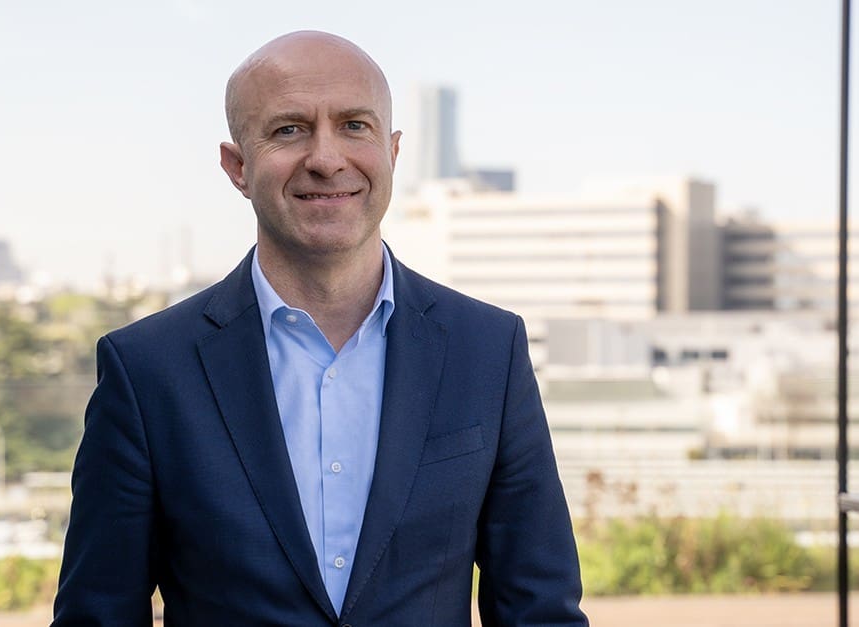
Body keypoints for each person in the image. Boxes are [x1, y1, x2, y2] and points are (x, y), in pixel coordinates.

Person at [52, 30, 586, 626]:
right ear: (237, 166)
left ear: (393, 151)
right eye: (289, 130)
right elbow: (96, 616)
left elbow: (540, 611)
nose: (327, 159)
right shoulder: (147, 370)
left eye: (355, 126)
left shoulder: (488, 350)